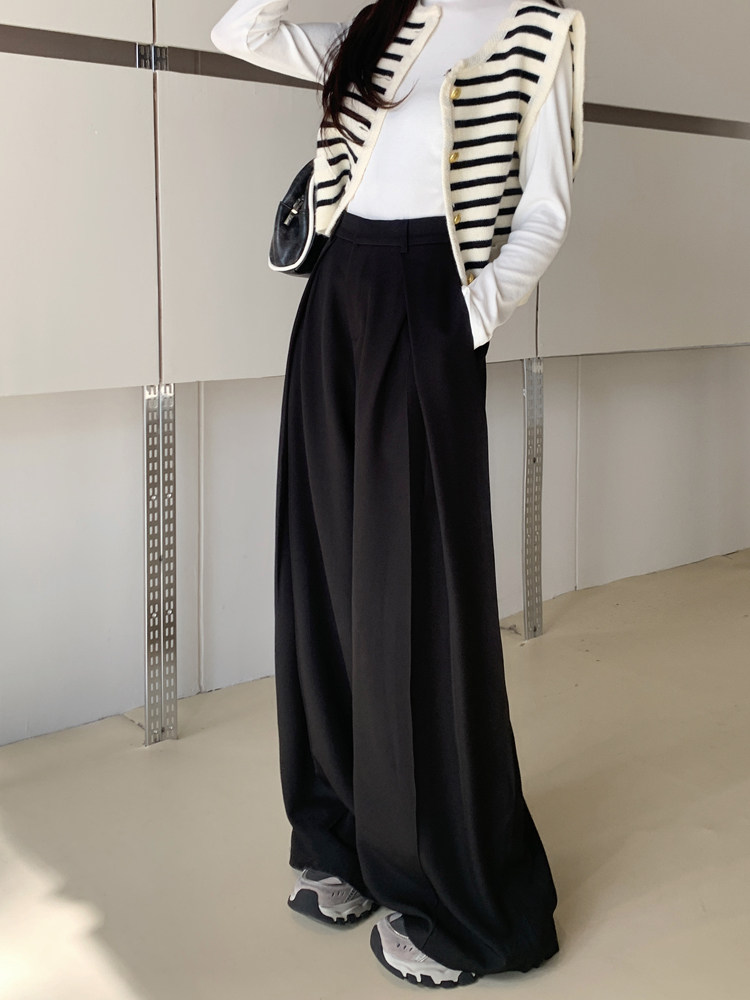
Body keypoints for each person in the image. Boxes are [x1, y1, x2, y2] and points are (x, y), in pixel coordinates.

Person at [211, 0, 585, 988]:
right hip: (337, 296)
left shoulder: (539, 30)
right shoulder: (380, 24)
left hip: (432, 303)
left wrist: (469, 314)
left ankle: (453, 893)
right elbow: (241, 31)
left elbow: (545, 209)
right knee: (326, 575)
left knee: (416, 599)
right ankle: (339, 836)